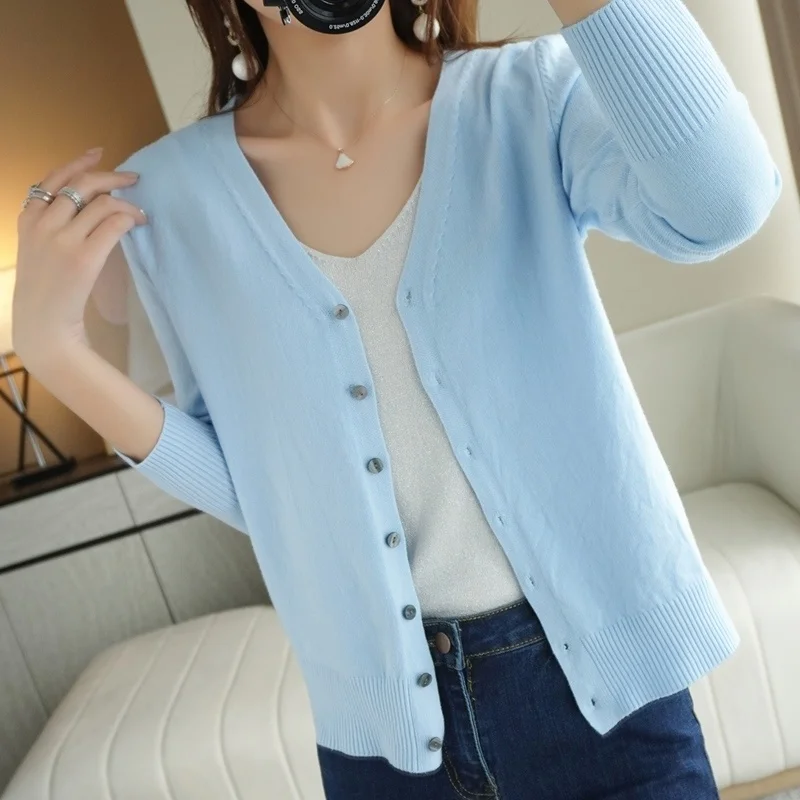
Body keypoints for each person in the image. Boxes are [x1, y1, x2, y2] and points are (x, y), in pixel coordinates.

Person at [12, 0, 782, 797]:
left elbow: (722, 206)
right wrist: (57, 354)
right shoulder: (165, 200)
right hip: (387, 750)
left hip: (607, 707)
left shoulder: (524, 96)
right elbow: (268, 491)